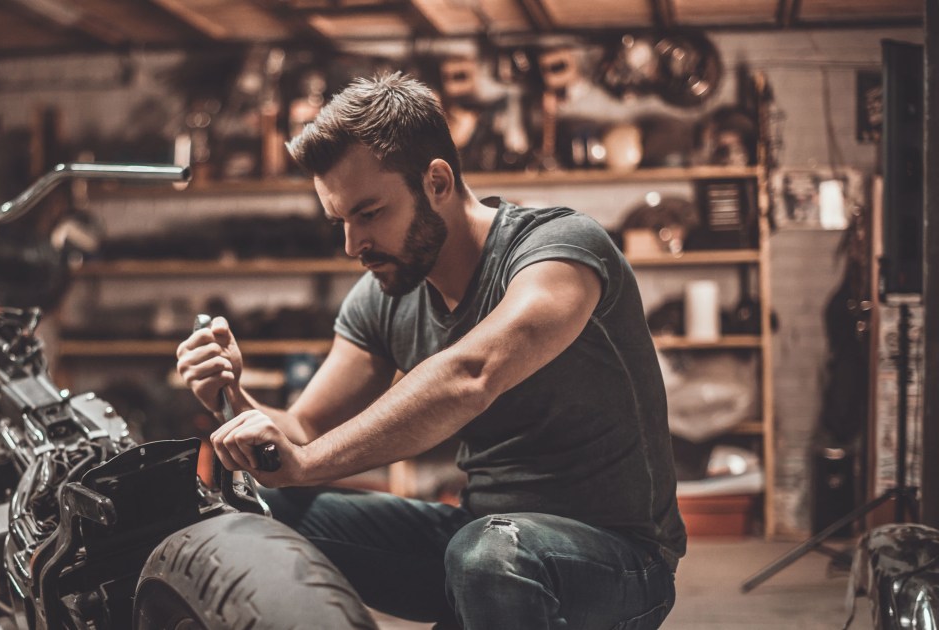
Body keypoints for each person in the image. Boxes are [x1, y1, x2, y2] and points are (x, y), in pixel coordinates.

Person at [175, 72, 685, 629]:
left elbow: (472, 374)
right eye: (341, 221)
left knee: (491, 556)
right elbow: (303, 427)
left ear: (437, 181)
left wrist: (307, 464)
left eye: (369, 214)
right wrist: (233, 395)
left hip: (620, 563)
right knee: (267, 511)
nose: (353, 245)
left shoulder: (559, 250)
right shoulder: (385, 293)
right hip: (482, 547)